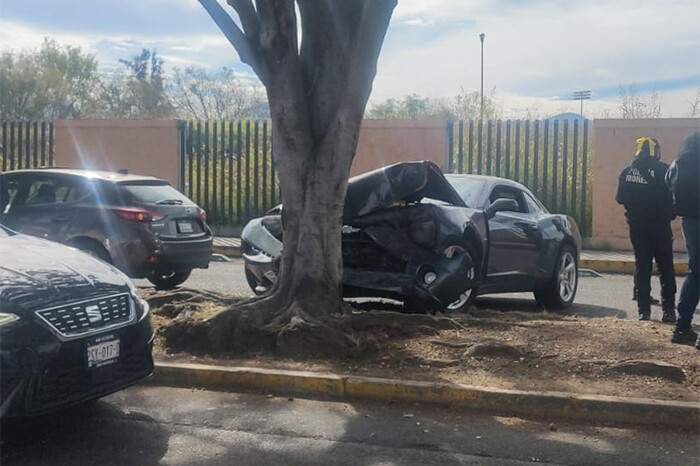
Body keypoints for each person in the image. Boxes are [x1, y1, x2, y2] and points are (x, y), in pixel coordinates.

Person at [616, 137, 676, 322]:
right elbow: (673, 198)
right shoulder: (664, 170)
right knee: (666, 268)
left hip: (637, 226)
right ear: (654, 151)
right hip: (660, 226)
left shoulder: (627, 171)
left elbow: (619, 198)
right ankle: (668, 312)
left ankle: (644, 311)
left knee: (642, 266)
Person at [666, 131, 700, 347]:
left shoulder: (689, 142)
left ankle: (681, 328)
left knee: (695, 272)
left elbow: (669, 178)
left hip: (690, 218)